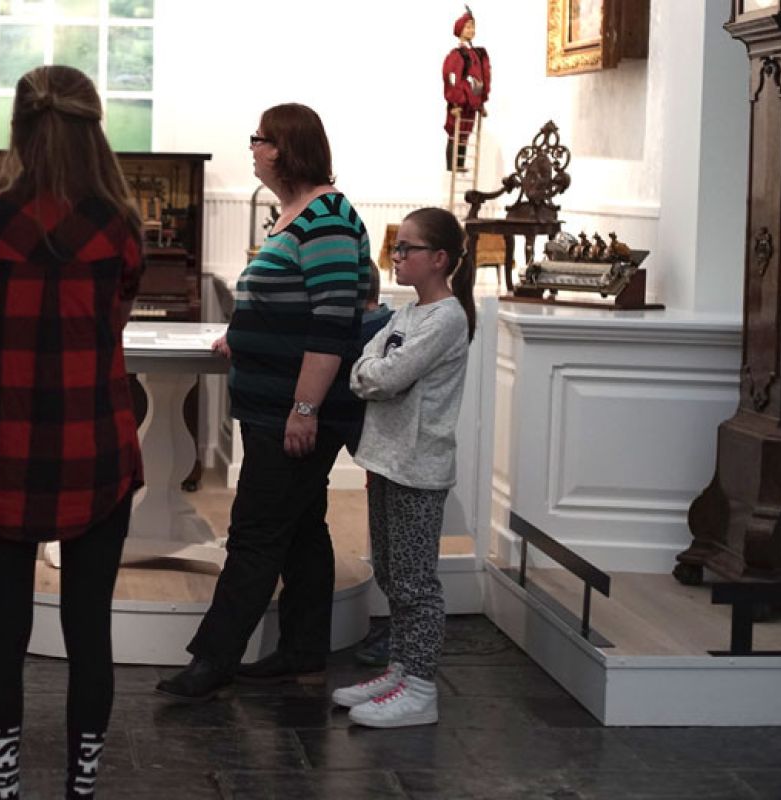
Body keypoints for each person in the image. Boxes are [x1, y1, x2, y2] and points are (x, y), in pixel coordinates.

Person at [0, 64, 143, 800]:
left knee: (3, 634)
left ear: (19, 129)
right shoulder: (120, 223)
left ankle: (6, 790)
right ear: (93, 129)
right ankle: (79, 790)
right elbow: (116, 316)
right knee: (89, 632)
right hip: (96, 447)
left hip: (4, 446)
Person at [157, 103, 374, 701]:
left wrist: (304, 409)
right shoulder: (292, 215)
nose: (251, 148)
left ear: (283, 147)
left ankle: (214, 659)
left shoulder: (327, 215)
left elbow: (333, 320)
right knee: (302, 526)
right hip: (270, 402)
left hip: (296, 409)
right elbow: (288, 298)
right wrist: (242, 332)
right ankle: (303, 654)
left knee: (253, 531)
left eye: (258, 139)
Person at [332, 206, 475, 728]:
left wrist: (375, 372)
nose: (395, 256)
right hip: (384, 457)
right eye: (396, 247)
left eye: (407, 249)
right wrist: (374, 371)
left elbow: (387, 377)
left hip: (417, 465)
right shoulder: (406, 314)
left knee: (416, 582)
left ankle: (420, 688)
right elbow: (368, 366)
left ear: (439, 259)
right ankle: (400, 668)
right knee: (391, 573)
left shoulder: (448, 317)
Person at [443, 6, 491, 171]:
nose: (471, 30)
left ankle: (460, 163)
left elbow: (482, 77)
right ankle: (452, 164)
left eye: (473, 27)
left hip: (472, 100)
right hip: (461, 99)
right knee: (455, 131)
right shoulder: (457, 55)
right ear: (460, 29)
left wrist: (481, 103)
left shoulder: (477, 54)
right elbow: (451, 76)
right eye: (468, 26)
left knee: (466, 131)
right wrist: (455, 101)